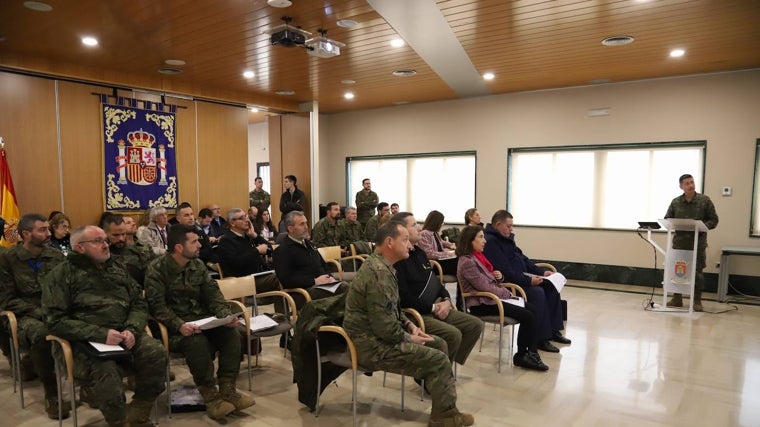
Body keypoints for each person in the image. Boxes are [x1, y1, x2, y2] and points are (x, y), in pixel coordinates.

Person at [344, 221, 474, 427]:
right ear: (389, 242)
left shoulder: (384, 267)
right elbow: (385, 329)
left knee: (439, 343)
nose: (410, 245)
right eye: (404, 240)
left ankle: (445, 407)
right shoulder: (378, 273)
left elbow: (393, 309)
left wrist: (411, 326)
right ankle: (444, 418)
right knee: (439, 359)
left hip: (379, 336)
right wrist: (410, 338)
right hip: (369, 345)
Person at [41, 225, 168, 427]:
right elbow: (54, 320)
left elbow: (139, 303)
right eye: (97, 241)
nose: (105, 245)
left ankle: (139, 410)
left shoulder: (117, 267)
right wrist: (100, 334)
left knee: (157, 352)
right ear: (80, 247)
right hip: (82, 343)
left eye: (105, 240)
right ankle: (119, 422)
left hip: (123, 334)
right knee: (106, 370)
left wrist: (132, 329)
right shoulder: (61, 275)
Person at [144, 225, 256, 420]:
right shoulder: (157, 270)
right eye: (194, 242)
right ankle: (212, 398)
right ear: (179, 247)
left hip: (202, 321)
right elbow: (157, 308)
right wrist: (179, 325)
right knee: (197, 343)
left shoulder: (197, 265)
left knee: (232, 333)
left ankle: (228, 390)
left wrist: (225, 316)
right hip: (175, 329)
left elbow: (213, 295)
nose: (199, 245)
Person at [0, 213, 68, 419]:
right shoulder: (8, 259)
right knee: (42, 334)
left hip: (55, 310)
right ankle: (53, 395)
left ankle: (89, 384)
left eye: (48, 229)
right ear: (26, 234)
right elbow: (6, 299)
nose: (49, 234)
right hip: (24, 314)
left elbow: (67, 288)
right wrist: (39, 313)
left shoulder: (56, 256)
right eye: (43, 230)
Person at [392, 212, 483, 367]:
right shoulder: (398, 259)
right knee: (453, 335)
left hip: (434, 306)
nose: (419, 228)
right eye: (414, 225)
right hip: (415, 313)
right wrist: (434, 307)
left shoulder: (418, 253)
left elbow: (434, 281)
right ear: (401, 231)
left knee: (475, 325)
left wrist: (447, 300)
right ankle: (436, 372)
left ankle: (443, 366)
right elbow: (404, 298)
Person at [456, 225, 549, 371]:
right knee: (528, 315)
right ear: (470, 241)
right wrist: (507, 294)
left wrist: (499, 277)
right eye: (480, 237)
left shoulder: (478, 257)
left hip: (493, 299)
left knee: (532, 310)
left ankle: (528, 352)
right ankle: (523, 355)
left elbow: (490, 280)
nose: (484, 241)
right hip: (482, 304)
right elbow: (484, 286)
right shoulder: (467, 262)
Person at [483, 210, 570, 352]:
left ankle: (553, 331)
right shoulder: (491, 242)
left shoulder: (507, 238)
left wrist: (542, 272)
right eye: (509, 226)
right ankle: (541, 338)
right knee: (537, 292)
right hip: (508, 283)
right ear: (498, 224)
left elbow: (523, 258)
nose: (511, 229)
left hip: (520, 278)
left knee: (551, 287)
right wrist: (529, 281)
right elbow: (505, 271)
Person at [665, 173, 719, 312]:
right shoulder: (675, 202)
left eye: (692, 182)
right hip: (679, 244)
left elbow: (714, 220)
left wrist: (702, 226)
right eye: (687, 183)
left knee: (697, 273)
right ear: (681, 186)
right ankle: (677, 299)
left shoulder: (704, 200)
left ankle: (697, 301)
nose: (691, 185)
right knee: (677, 271)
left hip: (697, 244)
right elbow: (668, 219)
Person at [272, 211, 347, 308]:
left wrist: (330, 277)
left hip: (321, 286)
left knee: (348, 288)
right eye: (302, 224)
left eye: (306, 223)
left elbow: (323, 264)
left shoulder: (309, 244)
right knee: (344, 290)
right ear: (290, 229)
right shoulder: (283, 250)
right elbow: (286, 280)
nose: (306, 227)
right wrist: (314, 281)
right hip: (302, 292)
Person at [216, 208, 279, 293]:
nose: (246, 220)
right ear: (232, 223)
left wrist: (255, 235)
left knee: (286, 273)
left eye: (246, 216)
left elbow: (269, 249)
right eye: (242, 218)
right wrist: (256, 250)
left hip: (260, 275)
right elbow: (236, 263)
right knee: (282, 276)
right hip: (244, 281)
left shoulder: (248, 236)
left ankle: (287, 305)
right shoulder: (226, 241)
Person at [101, 213, 156, 287]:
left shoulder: (137, 252)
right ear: (105, 233)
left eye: (123, 234)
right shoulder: (99, 254)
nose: (120, 239)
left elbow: (152, 277)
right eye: (115, 235)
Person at [418, 210, 457, 275]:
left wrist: (451, 245)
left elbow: (442, 242)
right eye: (442, 222)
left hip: (440, 261)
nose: (443, 224)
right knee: (459, 263)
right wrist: (448, 254)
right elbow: (429, 254)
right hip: (434, 265)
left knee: (461, 262)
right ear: (436, 222)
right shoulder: (424, 233)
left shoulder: (434, 233)